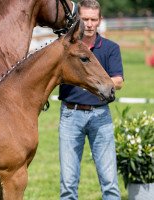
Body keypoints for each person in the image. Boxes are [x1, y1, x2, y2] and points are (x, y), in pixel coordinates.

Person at [58, 0, 124, 199]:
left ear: (99, 20)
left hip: (101, 116)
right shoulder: (65, 48)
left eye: (93, 19)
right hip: (70, 116)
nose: (89, 24)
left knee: (110, 182)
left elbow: (118, 81)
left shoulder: (110, 48)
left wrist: (89, 81)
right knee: (68, 184)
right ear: (78, 19)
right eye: (84, 19)